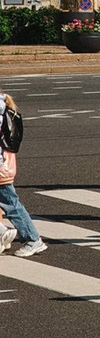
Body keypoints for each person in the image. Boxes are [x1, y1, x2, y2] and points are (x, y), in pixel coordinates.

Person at [0, 90, 41, 256]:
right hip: (4, 164)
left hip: (1, 167)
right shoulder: (3, 106)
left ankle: (32, 239)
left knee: (12, 206)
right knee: (11, 205)